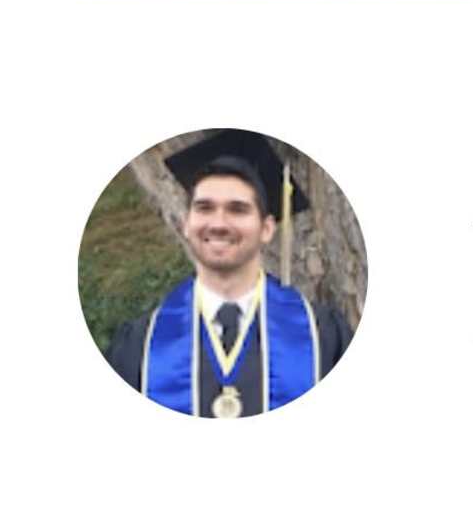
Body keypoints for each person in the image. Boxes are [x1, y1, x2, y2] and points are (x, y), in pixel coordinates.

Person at [132, 132, 327, 419]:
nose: (219, 223)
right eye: (205, 208)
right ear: (186, 224)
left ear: (267, 228)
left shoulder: (321, 334)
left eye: (238, 209)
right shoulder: (141, 343)